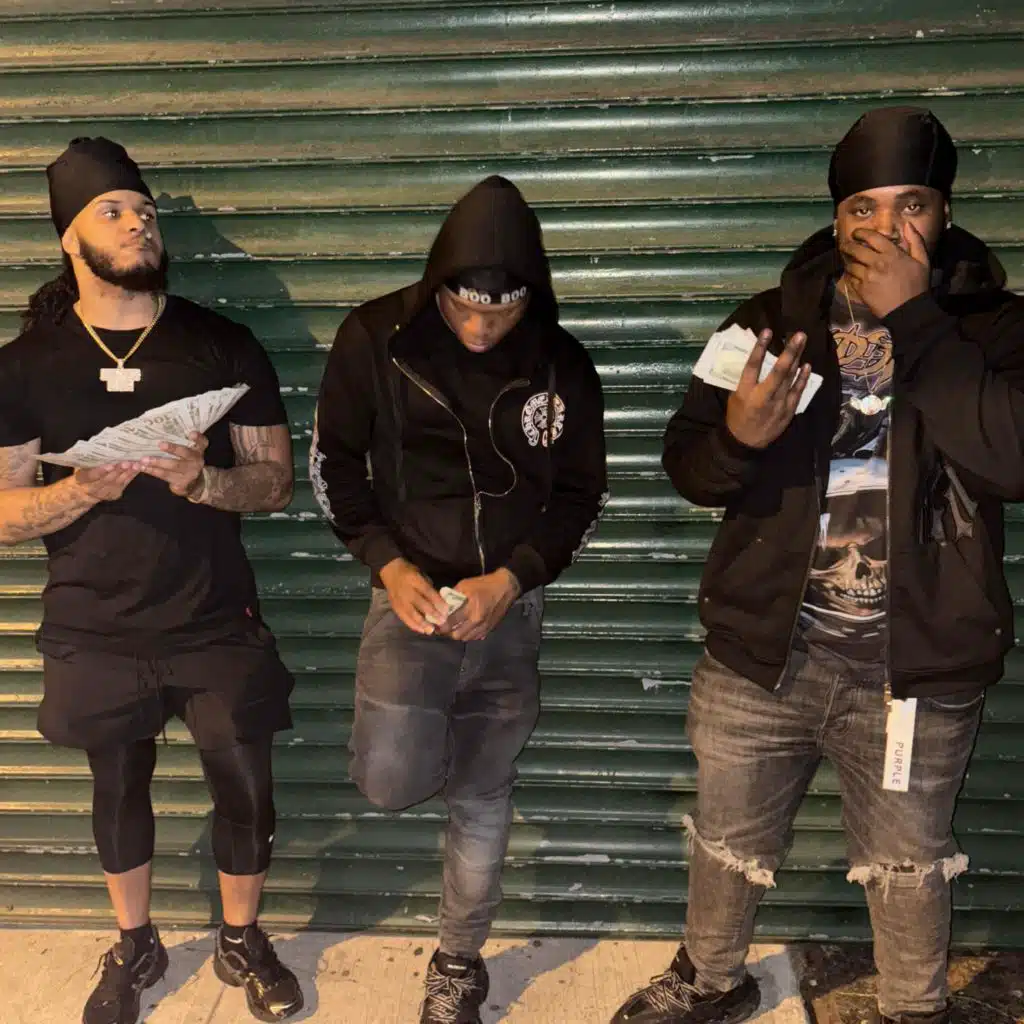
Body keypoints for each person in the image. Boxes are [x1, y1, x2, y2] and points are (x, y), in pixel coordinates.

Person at [610, 107, 1024, 1024]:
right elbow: (688, 464)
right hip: (763, 654)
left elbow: (1013, 458)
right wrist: (736, 440)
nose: (886, 228)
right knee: (725, 841)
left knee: (910, 863)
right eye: (863, 208)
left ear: (945, 213)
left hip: (916, 668)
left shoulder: (995, 330)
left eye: (911, 205)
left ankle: (914, 1009)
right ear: (836, 220)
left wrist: (915, 320)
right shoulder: (768, 323)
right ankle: (711, 980)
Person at [0, 137, 304, 1024]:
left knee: (246, 786)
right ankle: (135, 944)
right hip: (95, 622)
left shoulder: (223, 345)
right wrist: (77, 491)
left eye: (145, 211)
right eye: (113, 211)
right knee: (117, 791)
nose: (138, 224)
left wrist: (204, 483)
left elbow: (276, 484)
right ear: (70, 238)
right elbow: (3, 510)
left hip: (214, 616)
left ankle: (241, 938)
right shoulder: (25, 365)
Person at [310, 174, 608, 1024]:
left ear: (529, 296)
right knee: (388, 780)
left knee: (483, 793)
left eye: (500, 314)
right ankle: (444, 743)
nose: (481, 329)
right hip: (410, 602)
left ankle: (458, 961)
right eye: (465, 309)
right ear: (438, 283)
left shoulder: (562, 362)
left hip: (509, 609)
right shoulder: (375, 338)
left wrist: (514, 578)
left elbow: (582, 494)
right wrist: (387, 566)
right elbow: (333, 467)